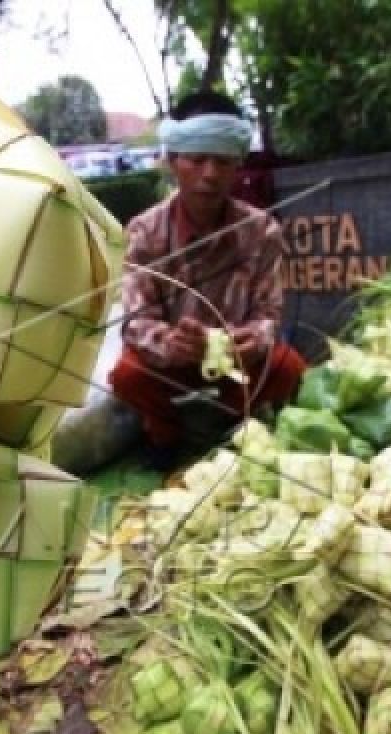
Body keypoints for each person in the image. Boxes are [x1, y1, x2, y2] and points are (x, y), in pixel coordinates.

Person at [108, 91, 306, 470]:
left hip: (236, 361)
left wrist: (254, 338)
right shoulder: (144, 232)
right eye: (197, 160)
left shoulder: (262, 231)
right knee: (128, 376)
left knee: (288, 368)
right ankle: (165, 433)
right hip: (171, 364)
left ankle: (233, 423)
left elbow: (269, 313)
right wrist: (172, 343)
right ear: (172, 160)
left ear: (237, 165)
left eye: (223, 161)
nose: (210, 175)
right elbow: (135, 324)